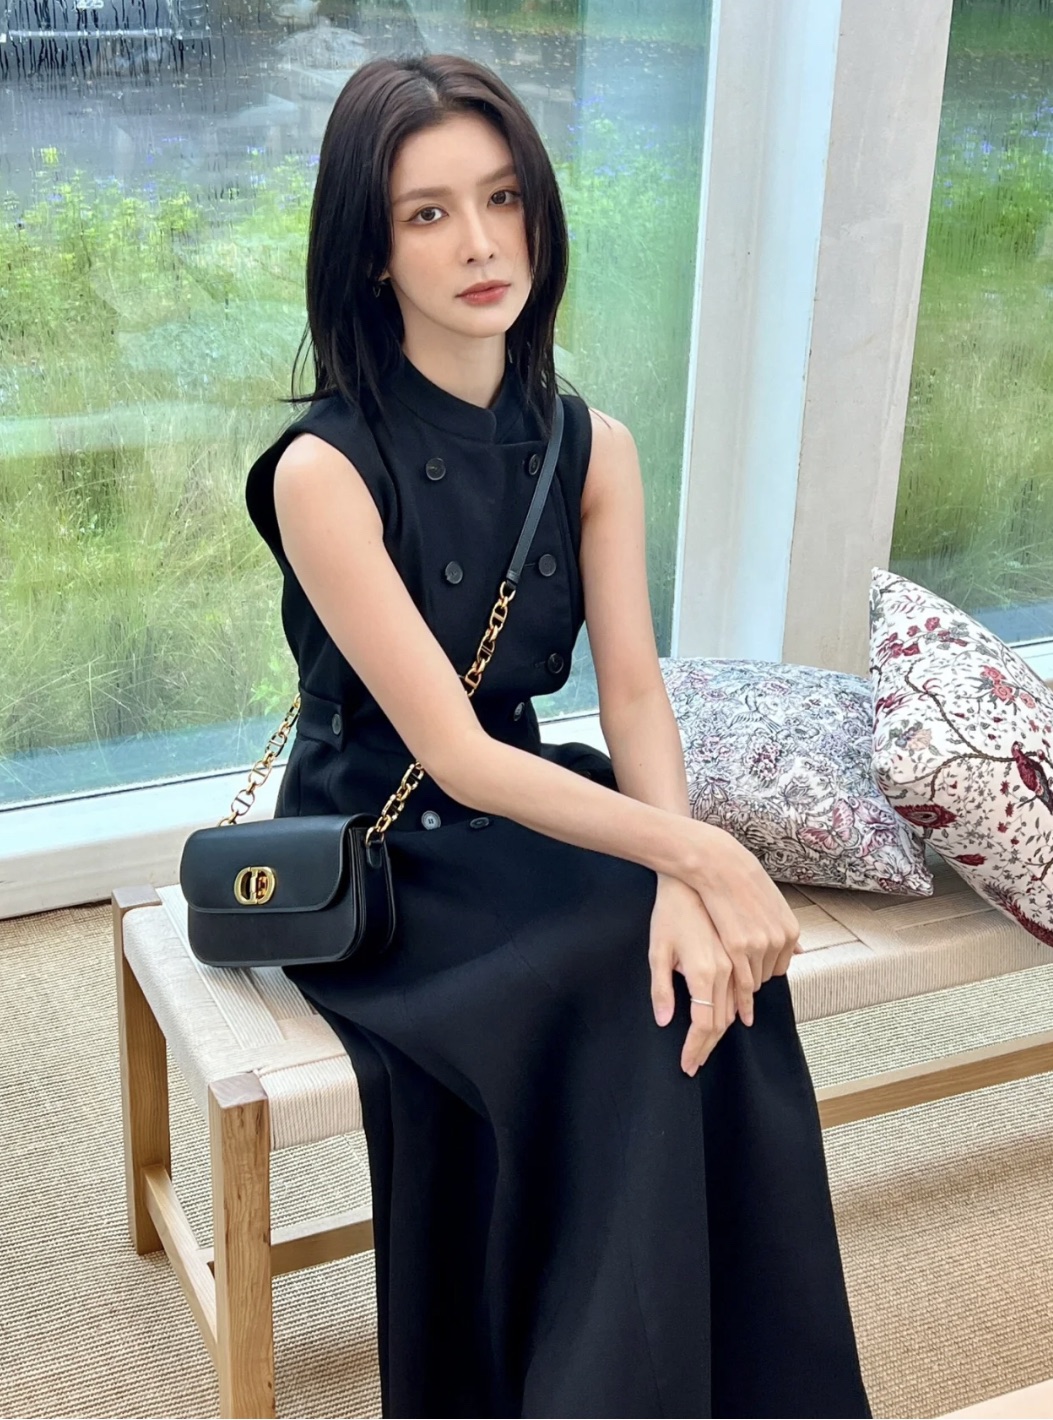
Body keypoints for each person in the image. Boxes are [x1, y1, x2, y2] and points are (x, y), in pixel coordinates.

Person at [244, 52, 871, 1420]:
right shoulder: (321, 469)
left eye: (503, 198)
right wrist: (703, 854)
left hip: (535, 796)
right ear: (370, 251)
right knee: (618, 988)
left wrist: (678, 878)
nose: (480, 243)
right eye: (427, 213)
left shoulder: (594, 446)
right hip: (390, 840)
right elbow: (453, 755)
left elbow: (631, 694)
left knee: (712, 975)